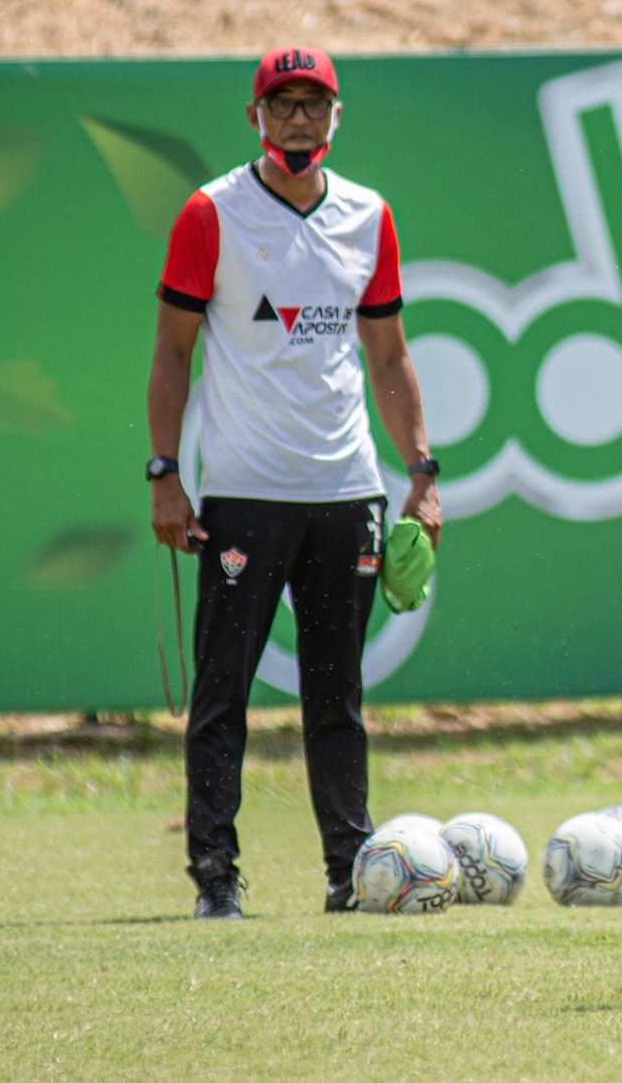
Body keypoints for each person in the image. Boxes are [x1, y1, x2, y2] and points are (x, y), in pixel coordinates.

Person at [147, 46, 442, 919]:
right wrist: (166, 473)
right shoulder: (211, 213)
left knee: (336, 695)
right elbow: (171, 351)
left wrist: (421, 470)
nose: (300, 118)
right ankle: (214, 875)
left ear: (337, 117)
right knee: (222, 692)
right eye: (283, 104)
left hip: (347, 491)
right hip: (242, 492)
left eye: (315, 103)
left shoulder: (369, 216)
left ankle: (349, 871)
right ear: (256, 119)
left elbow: (388, 355)